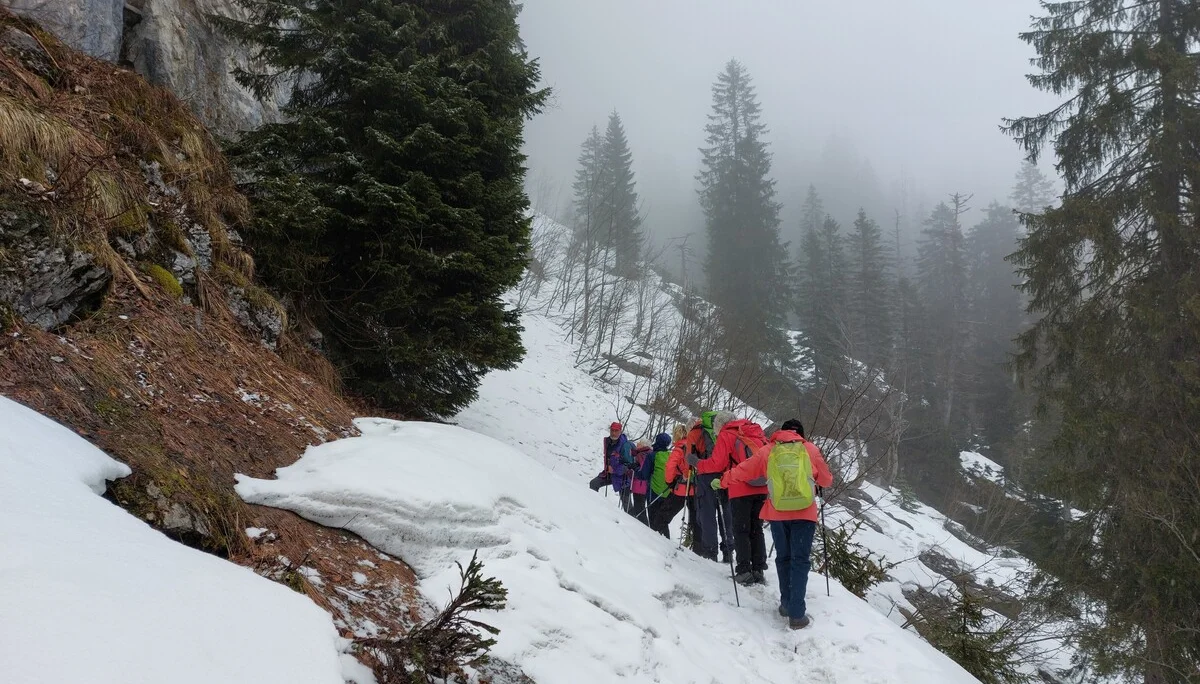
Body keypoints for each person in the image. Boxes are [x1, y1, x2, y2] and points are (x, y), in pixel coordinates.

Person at [716, 418, 832, 630]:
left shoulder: (768, 450)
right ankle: (797, 614)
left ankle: (786, 604)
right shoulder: (810, 449)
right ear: (800, 434)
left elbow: (744, 470)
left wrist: (722, 481)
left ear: (781, 432)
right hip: (805, 513)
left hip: (778, 512)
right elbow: (826, 480)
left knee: (784, 557)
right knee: (800, 560)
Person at [708, 416, 769, 585]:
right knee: (757, 528)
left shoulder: (726, 435)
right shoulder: (756, 432)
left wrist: (701, 465)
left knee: (741, 530)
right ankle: (758, 569)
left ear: (720, 425)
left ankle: (744, 570)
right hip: (763, 485)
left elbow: (717, 463)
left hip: (740, 486)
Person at [686, 410, 735, 562]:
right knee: (725, 513)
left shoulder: (694, 433)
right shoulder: (722, 431)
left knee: (707, 515)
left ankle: (710, 553)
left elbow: (689, 457)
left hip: (704, 475)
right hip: (724, 474)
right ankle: (728, 551)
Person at [662, 423, 699, 549]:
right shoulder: (693, 447)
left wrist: (669, 482)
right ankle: (698, 549)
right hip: (695, 488)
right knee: (695, 520)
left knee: (662, 517)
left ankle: (661, 542)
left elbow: (669, 467)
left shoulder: (678, 449)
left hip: (681, 488)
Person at [589, 422, 633, 512]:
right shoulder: (608, 442)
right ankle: (594, 509)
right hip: (608, 474)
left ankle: (634, 524)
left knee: (627, 506)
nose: (613, 433)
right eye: (612, 430)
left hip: (623, 478)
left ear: (620, 431)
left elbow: (629, 465)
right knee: (593, 484)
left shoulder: (625, 445)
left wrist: (615, 470)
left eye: (616, 431)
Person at [645, 431, 679, 537]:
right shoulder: (670, 455)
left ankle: (652, 540)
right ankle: (666, 539)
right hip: (666, 492)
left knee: (652, 517)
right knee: (662, 518)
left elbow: (644, 474)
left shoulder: (652, 455)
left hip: (653, 491)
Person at [629, 440, 655, 524]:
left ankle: (642, 528)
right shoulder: (650, 453)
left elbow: (643, 469)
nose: (637, 444)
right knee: (642, 508)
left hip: (639, 485)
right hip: (647, 485)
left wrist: (634, 467)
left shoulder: (641, 454)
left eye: (639, 443)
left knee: (639, 509)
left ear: (643, 445)